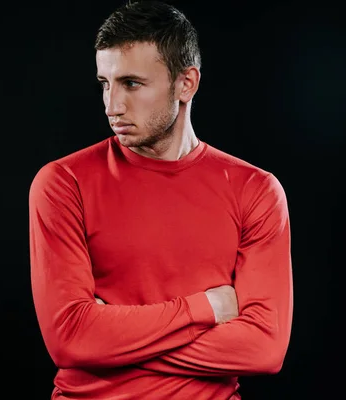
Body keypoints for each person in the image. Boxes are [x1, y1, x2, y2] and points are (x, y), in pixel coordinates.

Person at [28, 1, 293, 398]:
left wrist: (109, 339)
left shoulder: (254, 190)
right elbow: (69, 339)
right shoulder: (63, 183)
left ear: (186, 83)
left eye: (132, 84)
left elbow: (264, 349)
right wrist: (204, 310)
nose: (112, 106)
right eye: (105, 83)